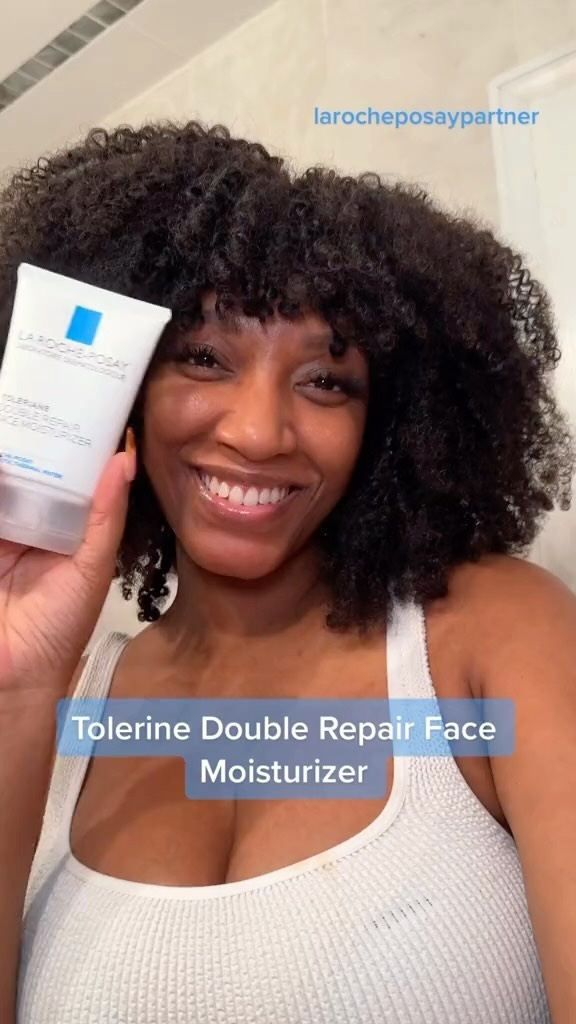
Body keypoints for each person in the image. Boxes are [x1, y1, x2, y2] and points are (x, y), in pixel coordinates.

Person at [0, 120, 575, 1024]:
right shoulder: (59, 701)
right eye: (204, 358)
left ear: (391, 423)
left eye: (325, 381)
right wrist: (22, 692)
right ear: (123, 390)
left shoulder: (489, 638)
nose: (259, 432)